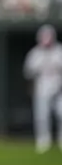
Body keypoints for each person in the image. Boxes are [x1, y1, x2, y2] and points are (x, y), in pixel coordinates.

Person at [24, 24, 62, 154]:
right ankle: (43, 141)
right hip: (42, 88)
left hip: (59, 88)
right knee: (42, 116)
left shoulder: (59, 51)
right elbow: (28, 73)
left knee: (61, 114)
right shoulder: (35, 53)